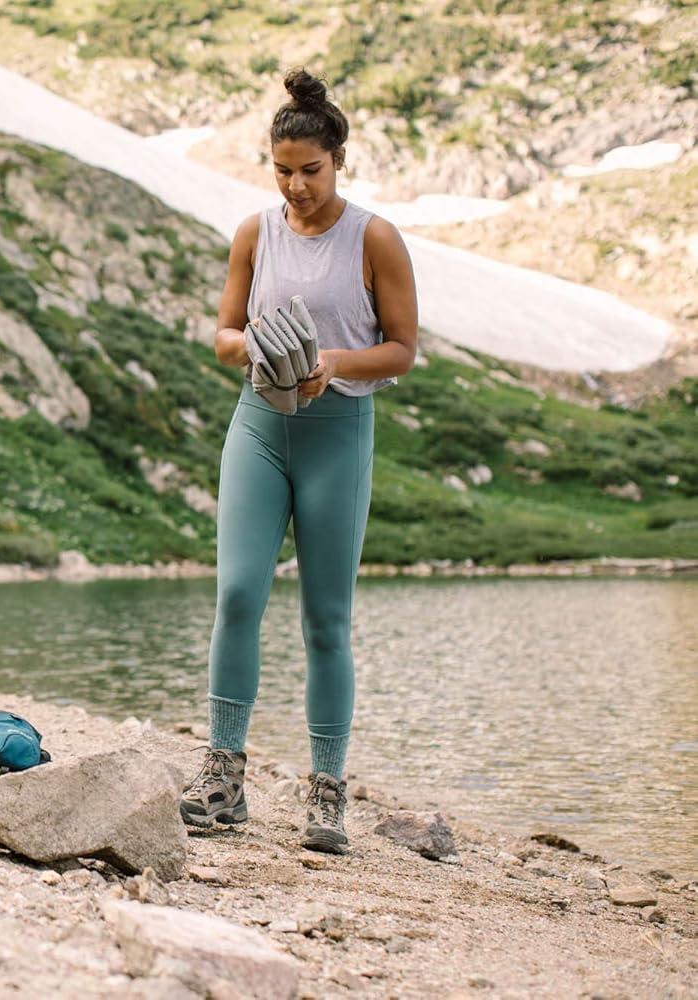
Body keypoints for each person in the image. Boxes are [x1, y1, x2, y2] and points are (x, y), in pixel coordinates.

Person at [180, 68, 418, 853]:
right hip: (258, 424)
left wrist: (331, 365)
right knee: (240, 594)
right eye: (282, 170)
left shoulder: (373, 238)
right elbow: (220, 333)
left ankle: (325, 792)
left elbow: (402, 350)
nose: (295, 186)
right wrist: (257, 345)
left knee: (326, 619)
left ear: (337, 160)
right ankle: (222, 776)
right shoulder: (255, 231)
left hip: (337, 433)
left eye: (309, 171)